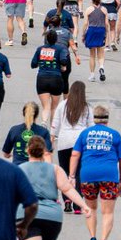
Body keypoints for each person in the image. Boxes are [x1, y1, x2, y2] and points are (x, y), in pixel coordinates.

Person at [19, 136, 89, 240]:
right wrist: (83, 205)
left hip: (27, 214)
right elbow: (67, 189)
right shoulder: (55, 169)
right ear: (44, 152)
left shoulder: (19, 169)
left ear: (27, 150)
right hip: (52, 215)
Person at [69, 106, 121, 240]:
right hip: (109, 176)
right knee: (107, 212)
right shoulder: (114, 134)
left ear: (93, 118)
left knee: (91, 209)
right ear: (107, 119)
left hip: (88, 175)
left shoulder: (85, 134)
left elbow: (75, 155)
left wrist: (72, 176)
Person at [50, 82, 92, 213]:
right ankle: (78, 204)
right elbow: (90, 127)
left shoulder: (63, 105)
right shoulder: (86, 107)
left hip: (64, 141)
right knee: (79, 172)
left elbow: (55, 124)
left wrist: (51, 139)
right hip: (80, 141)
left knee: (65, 171)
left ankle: (67, 200)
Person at [30, 30, 70, 121]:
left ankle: (44, 122)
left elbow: (33, 64)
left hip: (42, 79)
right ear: (56, 39)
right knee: (54, 107)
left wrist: (42, 62)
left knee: (46, 107)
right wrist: (63, 66)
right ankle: (52, 130)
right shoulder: (60, 49)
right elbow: (64, 61)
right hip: (56, 79)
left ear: (46, 39)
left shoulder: (40, 49)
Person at [82, 0, 108, 82]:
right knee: (100, 53)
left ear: (92, 0)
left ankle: (92, 75)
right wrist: (106, 33)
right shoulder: (104, 9)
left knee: (92, 55)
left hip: (92, 30)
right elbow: (106, 23)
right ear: (100, 0)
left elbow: (85, 23)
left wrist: (83, 34)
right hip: (101, 30)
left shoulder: (89, 9)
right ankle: (101, 67)